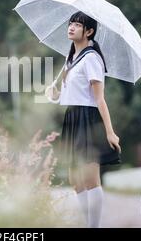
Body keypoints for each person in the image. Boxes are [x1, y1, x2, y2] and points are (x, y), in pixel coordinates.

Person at [51, 11, 121, 228]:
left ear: (89, 31)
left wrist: (109, 131)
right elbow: (62, 95)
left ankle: (94, 226)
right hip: (71, 117)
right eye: (70, 23)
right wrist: (55, 88)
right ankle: (87, 223)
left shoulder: (92, 58)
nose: (71, 27)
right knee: (75, 181)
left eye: (77, 25)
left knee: (90, 179)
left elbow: (100, 99)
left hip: (88, 119)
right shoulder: (71, 58)